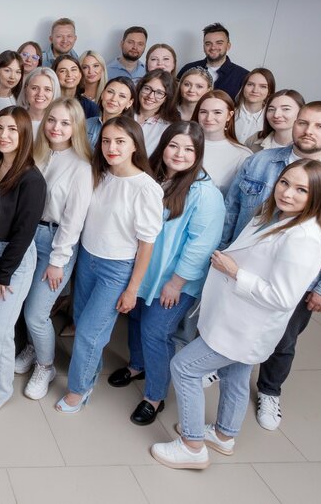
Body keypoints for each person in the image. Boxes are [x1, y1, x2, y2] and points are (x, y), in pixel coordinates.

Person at [151, 159, 321, 469]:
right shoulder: (275, 216)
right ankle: (224, 435)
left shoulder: (304, 238)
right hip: (235, 317)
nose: (287, 193)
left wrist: (234, 272)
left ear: (318, 196)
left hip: (246, 326)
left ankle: (192, 447)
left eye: (301, 190)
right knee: (235, 375)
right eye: (285, 183)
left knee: (184, 367)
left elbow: (283, 297)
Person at [221, 101, 321, 432]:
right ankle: (224, 368)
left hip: (297, 280)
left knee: (283, 339)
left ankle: (269, 390)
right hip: (242, 266)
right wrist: (222, 251)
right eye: (303, 122)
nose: (308, 131)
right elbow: (233, 208)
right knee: (232, 320)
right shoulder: (261, 162)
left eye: (320, 126)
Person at [109, 121, 224, 426]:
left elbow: (201, 245)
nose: (179, 154)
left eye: (189, 149)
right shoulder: (151, 177)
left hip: (174, 281)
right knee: (135, 319)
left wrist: (176, 283)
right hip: (143, 272)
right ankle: (137, 365)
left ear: (198, 154)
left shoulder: (205, 193)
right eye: (173, 145)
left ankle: (154, 396)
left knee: (155, 331)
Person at [56, 116, 162, 413]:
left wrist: (132, 289)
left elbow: (146, 245)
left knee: (89, 333)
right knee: (84, 325)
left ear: (135, 145)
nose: (111, 147)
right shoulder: (98, 174)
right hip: (87, 259)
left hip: (116, 270)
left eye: (119, 141)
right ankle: (89, 372)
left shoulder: (146, 187)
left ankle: (78, 390)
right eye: (105, 141)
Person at [17, 97, 93, 400]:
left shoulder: (81, 167)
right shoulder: (35, 153)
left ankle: (46, 366)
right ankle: (33, 348)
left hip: (55, 242)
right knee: (25, 302)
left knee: (37, 313)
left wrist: (58, 261)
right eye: (51, 120)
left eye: (65, 122)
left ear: (76, 127)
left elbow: (73, 222)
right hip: (27, 237)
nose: (56, 127)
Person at [0, 107, 45, 418]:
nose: (4, 135)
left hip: (13, 260)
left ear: (25, 134)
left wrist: (3, 274)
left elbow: (24, 234)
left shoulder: (32, 179)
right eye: (0, 128)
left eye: (12, 129)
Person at [191, 90, 252, 194]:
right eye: (203, 112)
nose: (209, 118)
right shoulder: (181, 144)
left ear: (229, 115)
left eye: (217, 112)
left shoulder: (243, 155)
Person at [178, 23, 249, 99]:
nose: (213, 47)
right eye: (208, 44)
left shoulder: (243, 76)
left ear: (228, 46)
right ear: (204, 47)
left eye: (219, 43)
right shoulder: (188, 69)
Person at [134, 70, 179, 155]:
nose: (150, 96)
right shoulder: (123, 113)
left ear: (167, 98)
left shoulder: (168, 128)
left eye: (159, 93)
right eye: (147, 89)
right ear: (140, 88)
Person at [86, 76, 137, 146]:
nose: (113, 99)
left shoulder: (130, 131)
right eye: (110, 92)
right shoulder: (87, 123)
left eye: (122, 96)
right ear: (102, 94)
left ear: (129, 103)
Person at [233, 68, 276, 144]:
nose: (255, 90)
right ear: (243, 87)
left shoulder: (272, 121)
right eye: (250, 84)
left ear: (269, 91)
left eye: (263, 86)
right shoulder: (228, 112)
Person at [19, 67, 63, 137]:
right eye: (34, 88)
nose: (40, 94)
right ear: (26, 89)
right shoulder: (14, 119)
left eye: (47, 89)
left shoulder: (60, 124)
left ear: (54, 92)